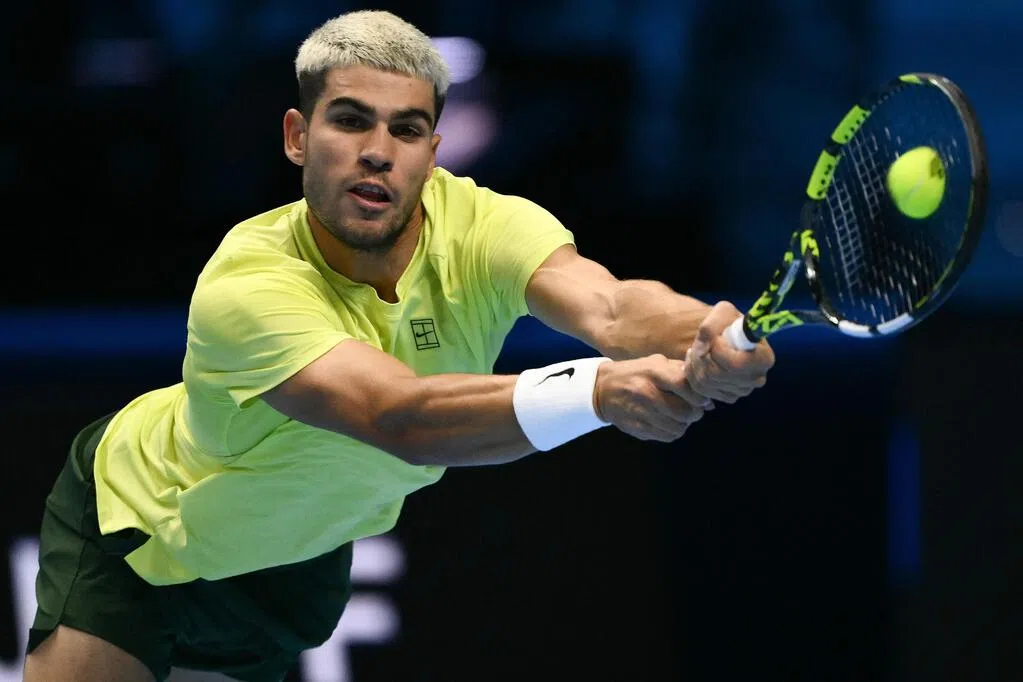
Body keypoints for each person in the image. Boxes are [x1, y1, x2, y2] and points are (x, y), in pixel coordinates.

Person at [23, 9, 775, 682]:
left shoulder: (483, 226)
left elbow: (609, 305)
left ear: (433, 150)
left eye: (407, 129)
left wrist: (704, 332)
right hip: (142, 525)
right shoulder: (247, 283)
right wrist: (597, 392)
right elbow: (399, 417)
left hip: (297, 557)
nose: (378, 152)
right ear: (297, 137)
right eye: (351, 121)